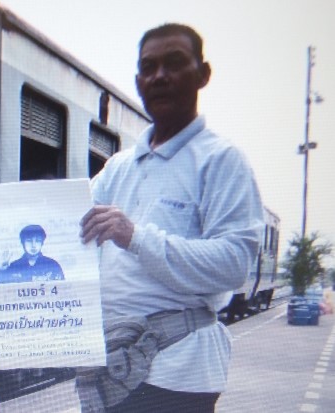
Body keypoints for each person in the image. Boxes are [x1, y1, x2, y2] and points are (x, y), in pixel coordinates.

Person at [76, 24, 263, 412]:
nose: (159, 76)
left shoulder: (221, 160)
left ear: (203, 74)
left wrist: (135, 237)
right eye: (149, 67)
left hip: (178, 375)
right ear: (138, 82)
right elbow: (66, 226)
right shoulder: (118, 167)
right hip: (113, 370)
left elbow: (234, 264)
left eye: (174, 63)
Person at [0, 224, 65, 283]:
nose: (33, 245)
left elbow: (62, 289)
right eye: (29, 241)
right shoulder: (14, 266)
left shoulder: (52, 265)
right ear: (23, 243)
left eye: (37, 241)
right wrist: (2, 270)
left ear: (42, 243)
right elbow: (3, 288)